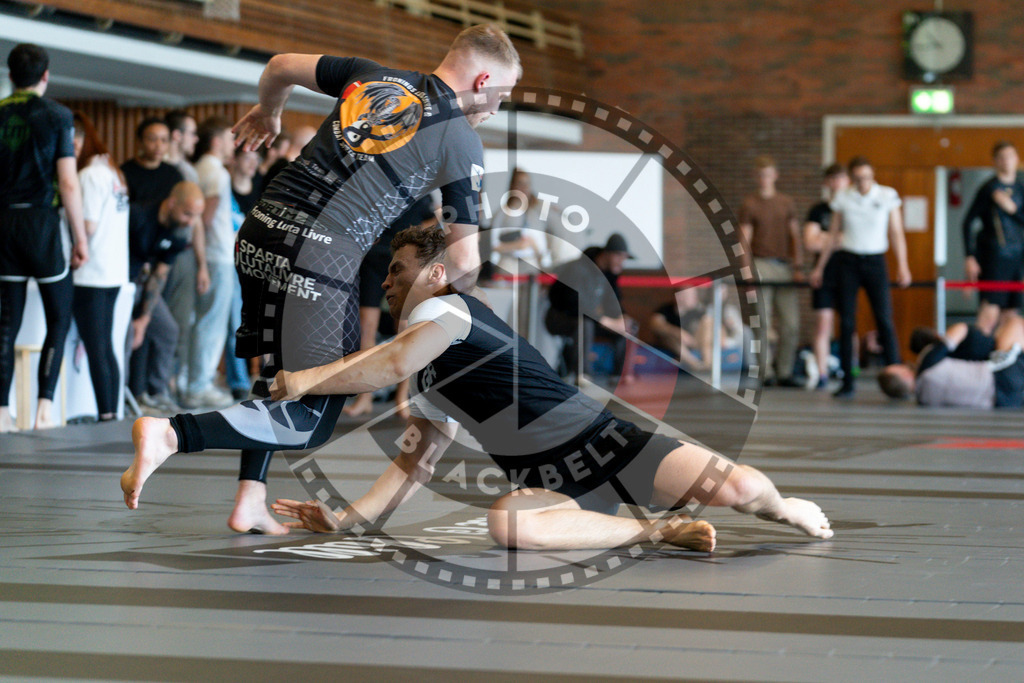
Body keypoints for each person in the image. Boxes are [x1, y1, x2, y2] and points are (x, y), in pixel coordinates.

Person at [124, 225, 833, 550]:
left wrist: (309, 376)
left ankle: (785, 503)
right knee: (508, 524)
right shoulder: (426, 369)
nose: (389, 280)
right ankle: (655, 529)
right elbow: (414, 463)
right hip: (547, 479)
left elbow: (389, 364)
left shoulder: (449, 312)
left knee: (743, 493)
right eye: (390, 272)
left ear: (434, 274)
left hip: (606, 443)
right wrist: (347, 520)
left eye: (400, 269)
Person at [119, 24, 522, 534]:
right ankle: (171, 435)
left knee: (279, 375)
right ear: (483, 79)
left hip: (260, 230)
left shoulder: (371, 75)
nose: (496, 110)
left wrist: (269, 111)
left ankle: (251, 499)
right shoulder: (462, 140)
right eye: (501, 97)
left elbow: (279, 64)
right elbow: (464, 260)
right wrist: (442, 324)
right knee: (312, 413)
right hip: (316, 255)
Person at [0, 43, 89, 432]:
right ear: (46, 75)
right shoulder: (57, 115)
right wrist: (80, 237)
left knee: (6, 323)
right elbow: (68, 183)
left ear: (9, 75)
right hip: (40, 224)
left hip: (3, 223)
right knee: (59, 317)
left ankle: (1, 411)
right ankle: (43, 409)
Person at [811, 157, 911, 398]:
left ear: (872, 175)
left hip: (876, 261)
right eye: (858, 179)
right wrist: (820, 268)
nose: (862, 183)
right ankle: (848, 381)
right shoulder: (843, 197)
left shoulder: (887, 195)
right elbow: (834, 234)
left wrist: (903, 265)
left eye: (866, 178)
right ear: (852, 178)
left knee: (884, 319)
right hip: (849, 261)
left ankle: (897, 379)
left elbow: (896, 232)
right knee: (846, 322)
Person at [343, 195, 437, 418]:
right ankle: (364, 397)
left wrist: (413, 244)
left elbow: (431, 220)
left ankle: (402, 398)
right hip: (373, 259)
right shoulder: (379, 184)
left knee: (404, 328)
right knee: (366, 328)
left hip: (403, 262)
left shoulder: (422, 188)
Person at [71, 111, 129, 422]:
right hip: (112, 271)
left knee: (98, 346)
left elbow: (88, 225)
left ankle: (107, 414)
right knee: (105, 345)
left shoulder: (89, 175)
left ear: (77, 142)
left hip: (92, 273)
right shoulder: (111, 172)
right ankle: (110, 412)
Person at [175, 116, 237, 409]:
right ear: (216, 141)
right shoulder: (217, 173)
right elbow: (207, 219)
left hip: (208, 255)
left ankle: (195, 381)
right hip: (216, 255)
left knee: (201, 321)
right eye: (228, 137)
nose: (233, 144)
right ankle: (199, 385)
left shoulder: (201, 169)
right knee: (210, 323)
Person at [127, 182, 205, 413]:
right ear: (172, 204)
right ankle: (121, 398)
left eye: (195, 217)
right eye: (187, 214)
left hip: (142, 283)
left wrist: (144, 319)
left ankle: (157, 392)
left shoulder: (178, 235)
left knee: (168, 330)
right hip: (119, 281)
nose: (190, 222)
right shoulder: (138, 215)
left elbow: (158, 277)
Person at [738, 156, 803, 387]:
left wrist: (798, 266)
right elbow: (744, 240)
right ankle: (765, 372)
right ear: (757, 177)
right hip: (761, 264)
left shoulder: (786, 202)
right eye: (761, 175)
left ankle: (785, 371)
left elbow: (795, 236)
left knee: (791, 324)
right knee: (762, 322)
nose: (765, 179)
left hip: (784, 266)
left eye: (769, 174)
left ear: (775, 175)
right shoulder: (750, 204)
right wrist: (747, 272)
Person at [878, 317, 1024, 409]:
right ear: (904, 375)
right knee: (1014, 322)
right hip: (1003, 375)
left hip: (1006, 401)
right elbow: (960, 329)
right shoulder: (927, 362)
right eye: (898, 367)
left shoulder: (925, 401)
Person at [545, 234, 631, 380]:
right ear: (607, 253)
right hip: (561, 318)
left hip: (591, 319)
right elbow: (575, 304)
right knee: (585, 324)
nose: (622, 262)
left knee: (628, 326)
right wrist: (605, 321)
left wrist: (620, 317)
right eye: (619, 256)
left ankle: (620, 375)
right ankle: (582, 374)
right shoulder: (578, 268)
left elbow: (613, 301)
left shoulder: (610, 274)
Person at [962, 141, 1024, 333]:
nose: (1007, 161)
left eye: (1010, 156)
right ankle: (979, 354)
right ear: (996, 161)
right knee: (990, 312)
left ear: (1017, 159)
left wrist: (1010, 208)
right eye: (1002, 157)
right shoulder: (989, 189)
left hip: (1016, 257)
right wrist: (970, 257)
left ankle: (1006, 357)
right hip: (994, 256)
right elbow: (967, 222)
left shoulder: (1021, 188)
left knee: (1011, 314)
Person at [803, 163, 849, 389]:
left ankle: (851, 369)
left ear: (847, 181)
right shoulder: (818, 210)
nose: (836, 183)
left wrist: (826, 238)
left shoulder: (852, 209)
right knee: (823, 324)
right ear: (826, 182)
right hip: (824, 273)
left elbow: (854, 239)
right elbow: (810, 242)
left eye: (840, 178)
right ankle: (822, 374)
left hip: (849, 271)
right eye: (832, 179)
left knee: (849, 323)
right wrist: (835, 238)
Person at [224, 146, 263, 400]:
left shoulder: (261, 191)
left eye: (256, 160)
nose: (252, 164)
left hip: (255, 265)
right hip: (228, 263)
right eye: (247, 158)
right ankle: (238, 379)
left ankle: (260, 376)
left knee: (259, 322)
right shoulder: (223, 188)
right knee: (232, 323)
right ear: (234, 159)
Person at [489, 168, 563, 274]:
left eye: (527, 184)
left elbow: (542, 248)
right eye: (520, 184)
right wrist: (516, 245)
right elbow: (493, 244)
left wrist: (533, 245)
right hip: (509, 263)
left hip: (530, 264)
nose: (524, 188)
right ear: (512, 186)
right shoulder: (502, 214)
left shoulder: (534, 214)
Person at [120, 118, 184, 206]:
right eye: (152, 139)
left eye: (164, 140)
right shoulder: (124, 173)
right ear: (140, 142)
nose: (159, 145)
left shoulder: (173, 174)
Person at [164, 110, 199, 184]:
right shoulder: (157, 166)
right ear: (177, 135)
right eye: (192, 133)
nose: (196, 139)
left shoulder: (188, 170)